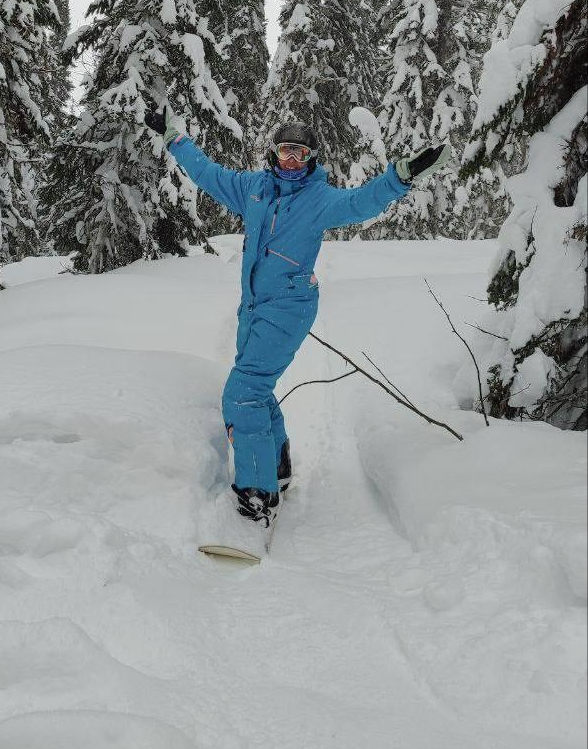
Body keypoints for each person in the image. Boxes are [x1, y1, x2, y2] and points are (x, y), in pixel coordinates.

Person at [144, 108, 450, 530]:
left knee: (244, 392)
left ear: (311, 158)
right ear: (274, 152)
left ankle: (258, 494)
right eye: (286, 150)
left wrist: (399, 177)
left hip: (289, 306)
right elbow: (207, 173)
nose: (292, 160)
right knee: (257, 386)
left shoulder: (318, 200)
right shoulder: (253, 189)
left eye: (301, 153)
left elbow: (361, 202)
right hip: (254, 305)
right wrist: (174, 138)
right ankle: (277, 465)